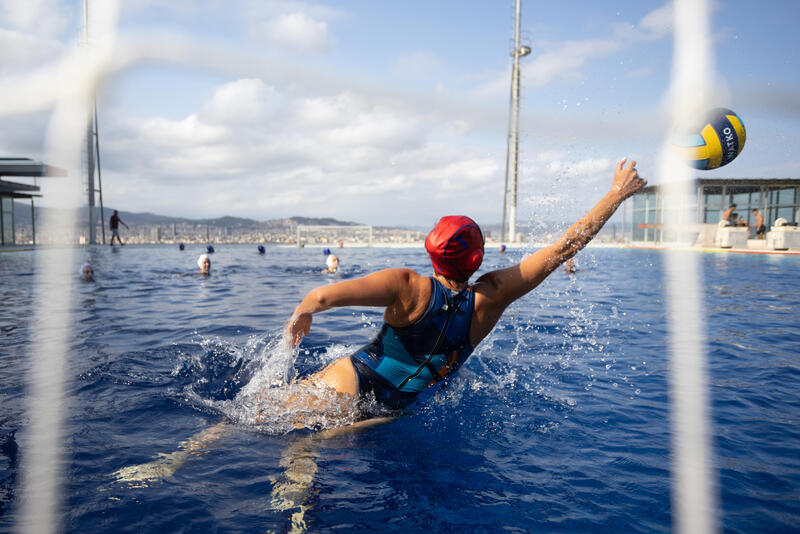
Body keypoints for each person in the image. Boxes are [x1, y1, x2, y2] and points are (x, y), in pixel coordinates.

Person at [287, 158, 646, 410]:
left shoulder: (406, 284)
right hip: (396, 407)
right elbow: (566, 246)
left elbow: (320, 297)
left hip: (351, 379)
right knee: (330, 439)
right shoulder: (492, 297)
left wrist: (303, 313)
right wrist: (616, 193)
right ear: (477, 259)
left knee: (261, 422)